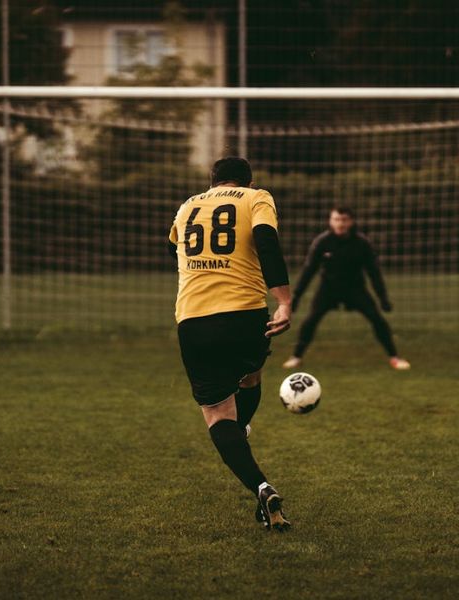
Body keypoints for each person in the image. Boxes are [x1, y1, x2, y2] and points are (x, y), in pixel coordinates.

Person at [168, 157, 293, 532]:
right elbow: (267, 242)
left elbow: (174, 247)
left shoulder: (188, 205)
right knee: (250, 377)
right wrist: (284, 300)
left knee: (218, 415)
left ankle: (261, 486)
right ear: (247, 180)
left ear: (213, 181)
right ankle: (241, 433)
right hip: (244, 313)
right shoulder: (256, 198)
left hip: (193, 318)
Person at [282, 207, 410, 370]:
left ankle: (395, 357)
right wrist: (297, 297)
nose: (340, 223)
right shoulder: (322, 242)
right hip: (328, 288)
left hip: (355, 289)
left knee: (377, 319)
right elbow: (309, 270)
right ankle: (296, 357)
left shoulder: (362, 243)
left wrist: (382, 298)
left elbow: (374, 272)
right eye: (336, 219)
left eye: (344, 220)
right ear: (330, 221)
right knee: (311, 320)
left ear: (351, 221)